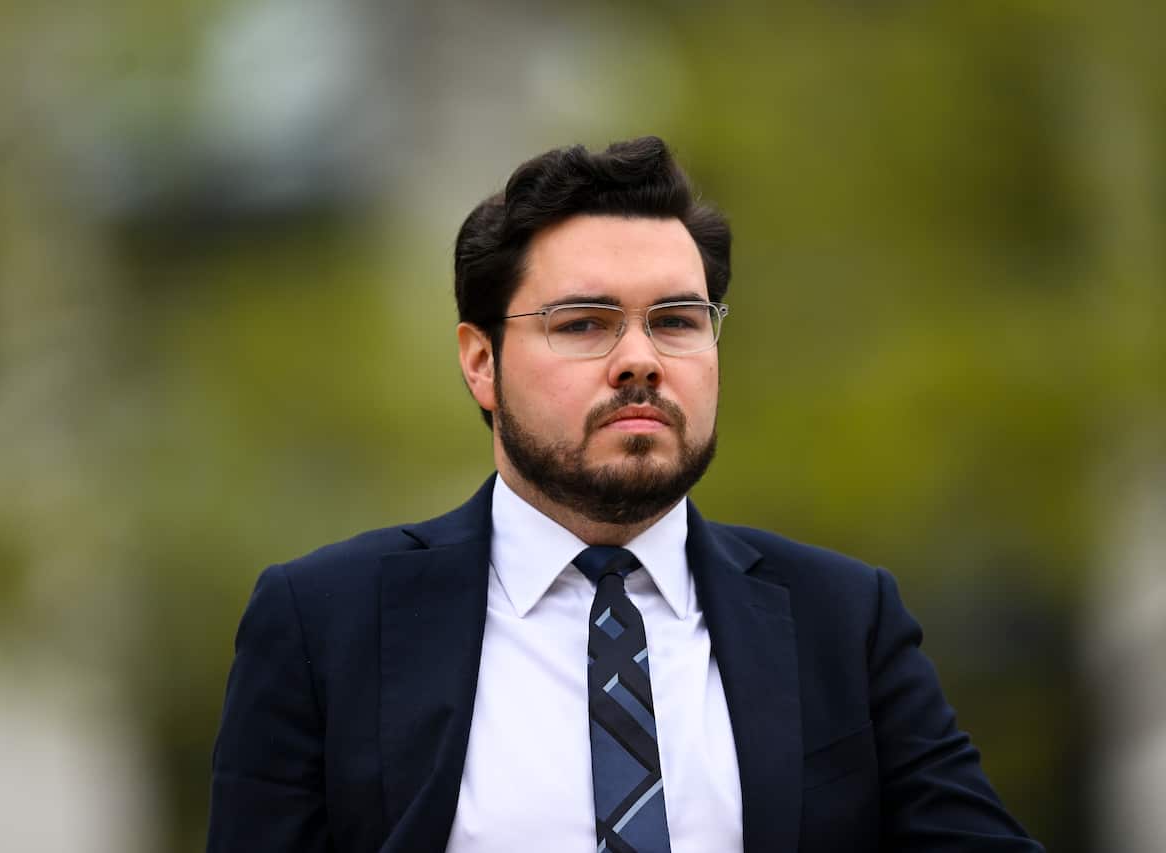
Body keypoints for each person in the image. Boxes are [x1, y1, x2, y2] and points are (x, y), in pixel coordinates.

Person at [206, 137, 1043, 853]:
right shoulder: (323, 624)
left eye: (676, 320)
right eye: (584, 323)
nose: (639, 359)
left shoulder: (842, 618)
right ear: (480, 361)